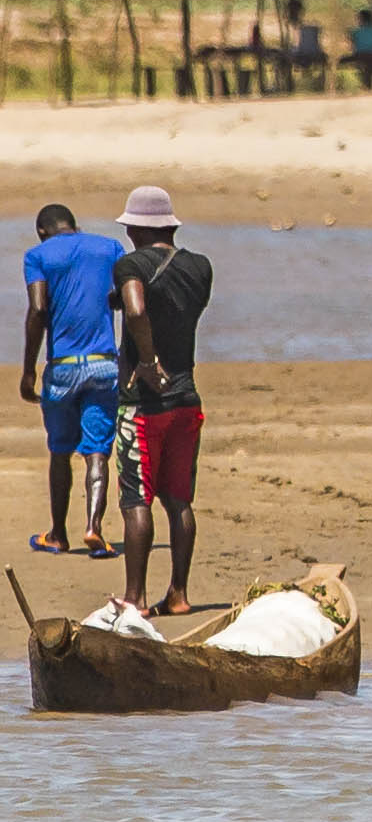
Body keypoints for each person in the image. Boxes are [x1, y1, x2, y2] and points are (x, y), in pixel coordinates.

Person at [109, 187, 212, 614]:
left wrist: (147, 361)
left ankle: (135, 598)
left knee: (136, 499)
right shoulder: (200, 267)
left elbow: (136, 311)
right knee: (178, 500)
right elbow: (176, 310)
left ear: (137, 228)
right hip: (186, 397)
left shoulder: (130, 265)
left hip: (143, 402)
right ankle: (179, 594)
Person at [22, 204, 123, 557]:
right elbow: (123, 297)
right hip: (103, 365)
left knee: (60, 450)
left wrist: (29, 370)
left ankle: (58, 534)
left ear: (42, 231)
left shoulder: (37, 256)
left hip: (62, 367)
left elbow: (38, 309)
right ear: (74, 225)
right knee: (97, 451)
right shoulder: (110, 248)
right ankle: (94, 527)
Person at [347, 7, 372, 89]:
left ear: (361, 19)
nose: (357, 20)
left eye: (358, 18)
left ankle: (366, 84)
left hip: (360, 55)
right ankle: (371, 84)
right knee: (369, 64)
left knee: (359, 62)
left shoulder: (355, 31)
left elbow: (353, 46)